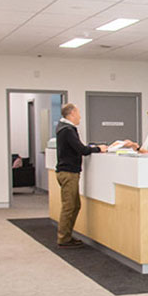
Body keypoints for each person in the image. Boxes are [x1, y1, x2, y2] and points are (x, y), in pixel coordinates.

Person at [54, 103, 107, 248]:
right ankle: (64, 238)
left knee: (75, 205)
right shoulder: (67, 130)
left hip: (67, 171)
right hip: (68, 173)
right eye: (78, 113)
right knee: (69, 206)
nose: (80, 116)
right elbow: (81, 149)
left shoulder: (63, 128)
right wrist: (98, 149)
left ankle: (66, 236)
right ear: (71, 113)